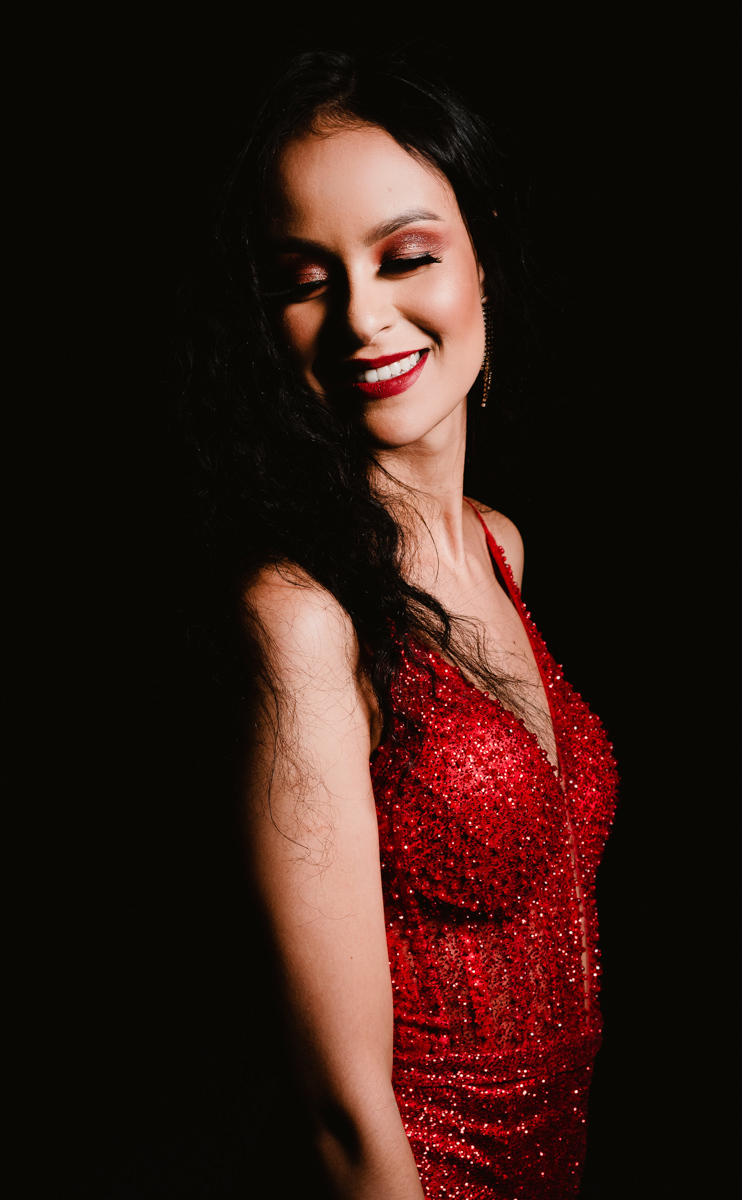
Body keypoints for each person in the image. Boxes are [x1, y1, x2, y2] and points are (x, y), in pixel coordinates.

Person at [177, 48, 618, 1200]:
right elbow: (340, 1110)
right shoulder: (300, 617)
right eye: (306, 278)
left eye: (407, 256)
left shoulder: (499, 547)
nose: (364, 316)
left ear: (484, 264)